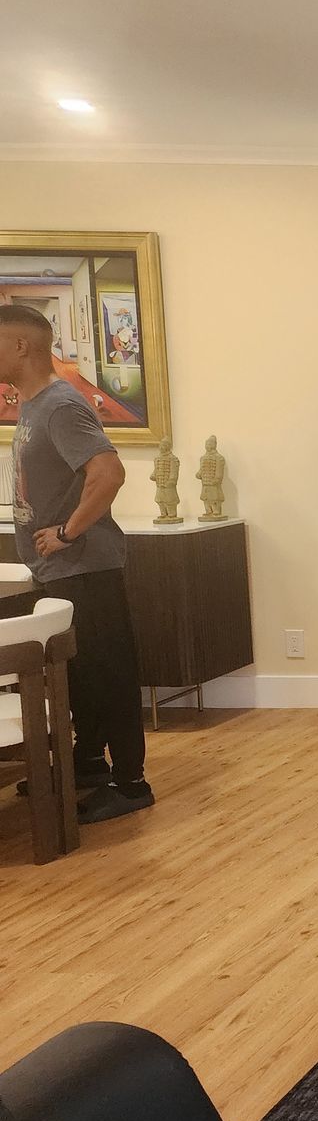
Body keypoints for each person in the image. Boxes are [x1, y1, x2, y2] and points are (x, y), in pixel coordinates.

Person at [0, 304, 151, 822]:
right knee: (80, 673)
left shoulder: (61, 405)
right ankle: (87, 763)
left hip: (86, 565)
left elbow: (107, 472)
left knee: (109, 673)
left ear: (22, 346)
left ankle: (131, 783)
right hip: (59, 571)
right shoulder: (33, 405)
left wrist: (67, 532)